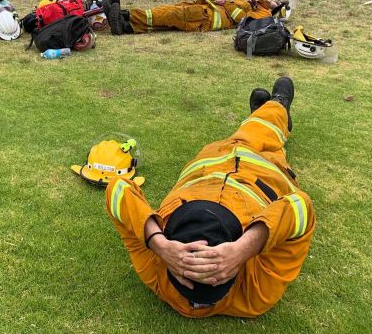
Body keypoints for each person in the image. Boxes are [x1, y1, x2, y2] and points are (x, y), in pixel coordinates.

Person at [104, 77, 313, 318]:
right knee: (263, 133)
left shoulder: (157, 266)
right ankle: (278, 107)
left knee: (247, 132)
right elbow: (301, 207)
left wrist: (159, 244)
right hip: (263, 168)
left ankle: (262, 113)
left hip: (210, 160)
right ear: (234, 269)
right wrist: (244, 249)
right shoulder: (255, 295)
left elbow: (118, 188)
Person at [125, 0, 283, 33]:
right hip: (205, 9)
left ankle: (128, 15)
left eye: (274, 1)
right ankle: (127, 27)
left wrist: (226, 1)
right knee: (167, 13)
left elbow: (241, 19)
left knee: (171, 14)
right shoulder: (256, 5)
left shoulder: (263, 15)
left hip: (206, 17)